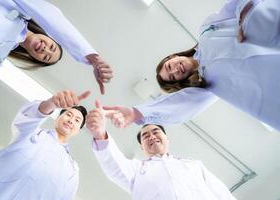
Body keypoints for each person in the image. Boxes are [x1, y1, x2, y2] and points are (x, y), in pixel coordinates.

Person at [102, 0, 280, 130]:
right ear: (181, 81)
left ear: (173, 56)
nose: (175, 70)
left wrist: (246, 13)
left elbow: (234, 5)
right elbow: (180, 106)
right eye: (173, 77)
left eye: (169, 66)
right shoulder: (207, 83)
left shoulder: (207, 30)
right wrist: (138, 113)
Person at [86, 101, 236, 200]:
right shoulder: (136, 169)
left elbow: (221, 193)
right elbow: (114, 167)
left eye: (156, 132)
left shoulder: (194, 165)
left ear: (167, 138)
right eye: (145, 135)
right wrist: (100, 134)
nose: (151, 136)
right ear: (142, 147)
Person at [0, 0, 113, 94]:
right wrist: (91, 57)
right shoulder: (20, 8)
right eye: (52, 47)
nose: (45, 49)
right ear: (50, 35)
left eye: (46, 57)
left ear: (34, 58)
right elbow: (52, 17)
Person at [0, 90, 90, 200]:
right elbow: (27, 118)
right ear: (57, 119)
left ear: (78, 131)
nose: (71, 120)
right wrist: (52, 103)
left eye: (77, 120)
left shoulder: (72, 169)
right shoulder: (31, 133)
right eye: (68, 115)